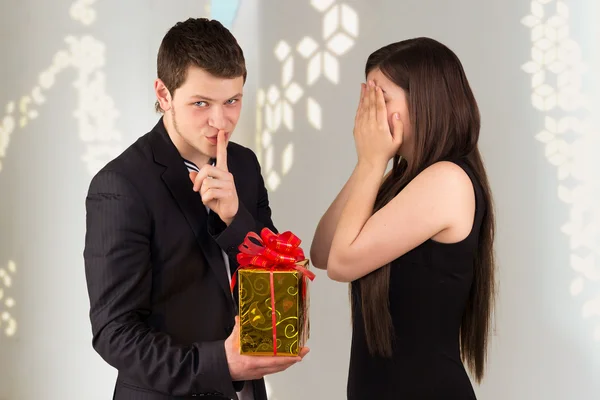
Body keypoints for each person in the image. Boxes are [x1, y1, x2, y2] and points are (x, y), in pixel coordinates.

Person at [83, 18, 308, 400]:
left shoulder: (245, 165)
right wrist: (221, 364)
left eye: (232, 101)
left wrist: (236, 220)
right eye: (201, 103)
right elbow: (114, 333)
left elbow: (277, 282)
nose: (220, 122)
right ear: (164, 93)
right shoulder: (121, 185)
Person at [310, 37, 496, 399]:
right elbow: (322, 251)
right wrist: (369, 164)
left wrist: (371, 161)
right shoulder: (399, 181)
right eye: (367, 99)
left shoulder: (447, 180)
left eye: (381, 98)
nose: (370, 112)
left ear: (424, 101)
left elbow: (342, 263)